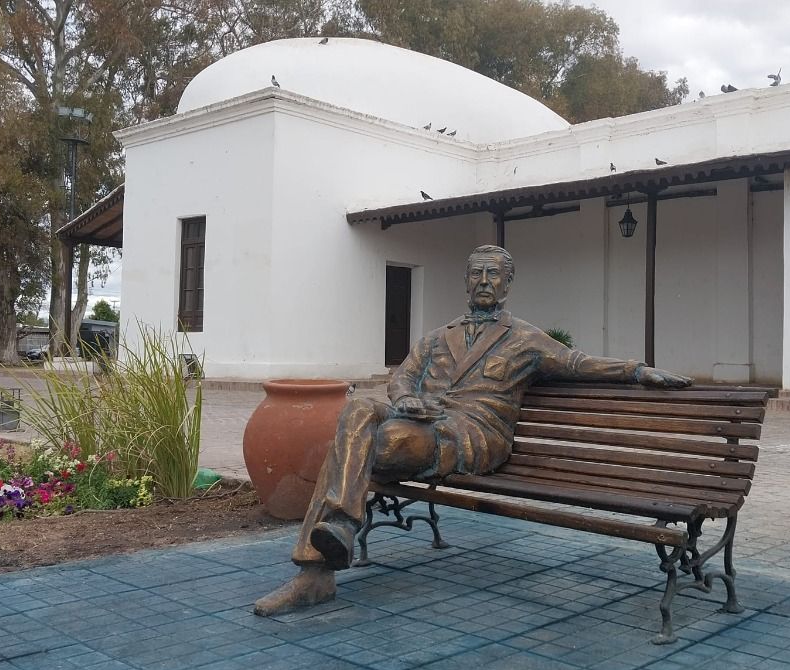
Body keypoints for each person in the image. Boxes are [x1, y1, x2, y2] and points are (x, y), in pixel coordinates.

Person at [253, 245, 693, 616]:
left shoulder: (526, 339)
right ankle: (335, 537)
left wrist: (637, 370)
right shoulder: (436, 337)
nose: (485, 281)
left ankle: (318, 567)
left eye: (494, 275)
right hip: (423, 420)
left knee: (378, 442)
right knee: (358, 411)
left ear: (507, 284)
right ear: (466, 282)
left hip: (474, 436)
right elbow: (402, 377)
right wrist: (406, 399)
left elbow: (578, 363)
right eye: (477, 274)